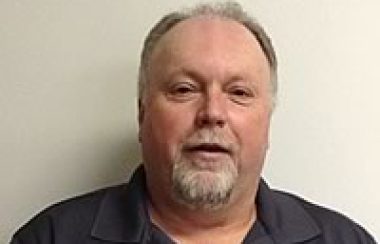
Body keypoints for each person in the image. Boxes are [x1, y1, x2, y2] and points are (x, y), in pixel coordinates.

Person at [11, 2, 376, 244]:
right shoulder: (51, 237)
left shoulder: (345, 240)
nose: (213, 112)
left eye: (239, 93)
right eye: (184, 89)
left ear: (268, 118)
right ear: (142, 113)